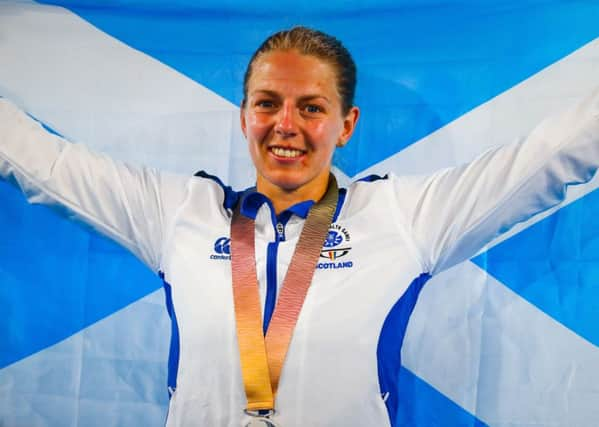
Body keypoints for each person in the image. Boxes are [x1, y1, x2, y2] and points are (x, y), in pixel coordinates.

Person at [1, 26, 598, 427]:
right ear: (244, 116)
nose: (285, 124)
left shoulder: (404, 216)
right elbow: (43, 164)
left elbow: (548, 157)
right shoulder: (178, 211)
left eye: (311, 107)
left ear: (345, 124)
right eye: (267, 103)